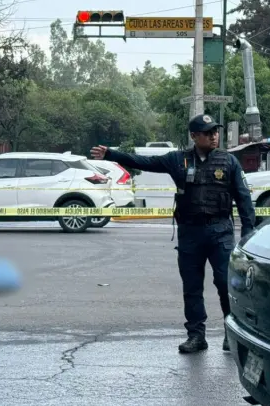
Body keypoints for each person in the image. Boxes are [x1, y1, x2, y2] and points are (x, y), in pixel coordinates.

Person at [90, 114, 255, 354]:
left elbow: (244, 199)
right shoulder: (178, 160)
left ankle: (231, 334)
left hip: (220, 232)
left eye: (215, 132)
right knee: (192, 287)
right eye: (207, 132)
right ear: (194, 136)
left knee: (223, 283)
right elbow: (142, 162)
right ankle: (196, 336)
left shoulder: (228, 162)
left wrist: (248, 234)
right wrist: (111, 154)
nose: (213, 136)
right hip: (190, 233)